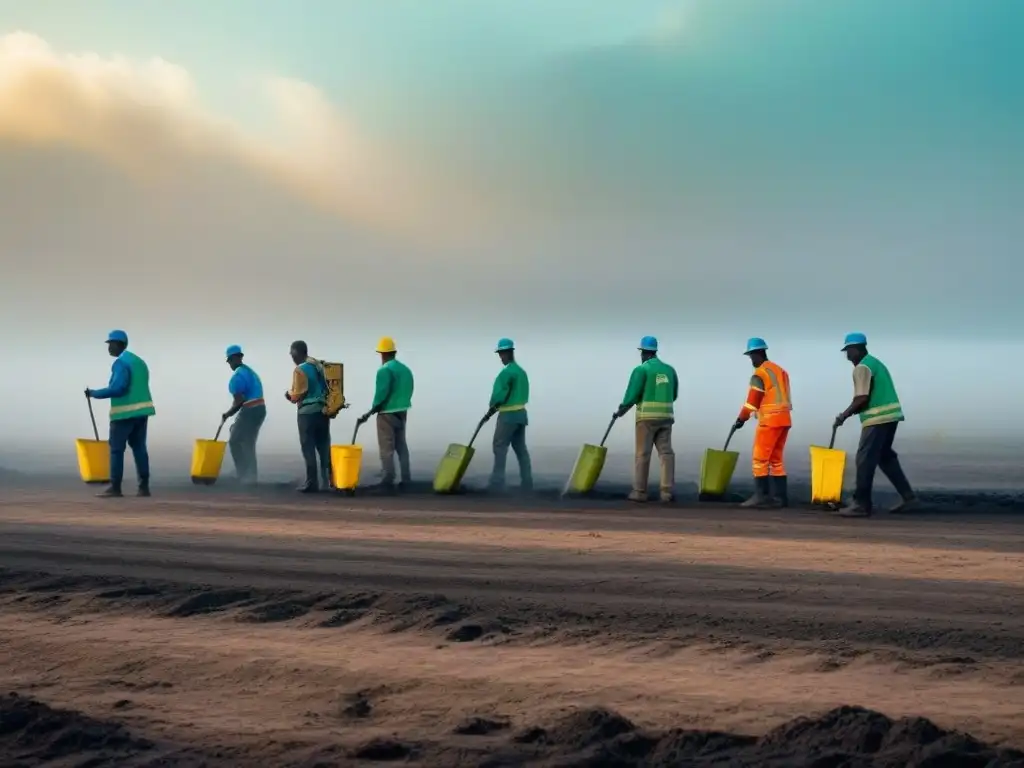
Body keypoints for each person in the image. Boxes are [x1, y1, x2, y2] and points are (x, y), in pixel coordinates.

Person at [833, 332, 918, 517]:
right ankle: (908, 497)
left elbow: (862, 398)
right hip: (891, 416)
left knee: (864, 459)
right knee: (885, 457)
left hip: (877, 418)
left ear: (857, 349)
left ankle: (861, 504)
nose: (847, 355)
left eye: (848, 351)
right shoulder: (875, 363)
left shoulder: (863, 367)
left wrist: (843, 416)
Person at [84, 329, 155, 498]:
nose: (109, 348)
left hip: (124, 415)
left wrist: (94, 393)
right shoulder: (139, 362)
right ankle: (144, 488)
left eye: (111, 344)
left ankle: (115, 488)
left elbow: (118, 388)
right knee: (139, 449)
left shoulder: (121, 363)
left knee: (116, 450)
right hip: (142, 413)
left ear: (120, 344)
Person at [615, 336, 678, 503]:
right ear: (655, 351)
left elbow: (632, 395)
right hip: (666, 417)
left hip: (646, 418)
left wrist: (622, 409)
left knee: (643, 454)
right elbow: (675, 394)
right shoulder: (669, 370)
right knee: (666, 454)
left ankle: (640, 492)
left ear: (643, 352)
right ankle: (667, 492)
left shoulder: (641, 370)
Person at [732, 337, 793, 508]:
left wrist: (741, 418)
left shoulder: (759, 374)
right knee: (776, 459)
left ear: (757, 353)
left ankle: (761, 496)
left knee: (760, 459)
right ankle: (781, 498)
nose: (751, 359)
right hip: (785, 419)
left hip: (769, 421)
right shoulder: (780, 371)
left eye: (751, 355)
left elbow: (752, 402)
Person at [357, 336, 414, 493]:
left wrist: (370, 412)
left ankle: (387, 480)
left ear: (383, 354)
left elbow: (381, 395)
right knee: (401, 446)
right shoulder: (405, 369)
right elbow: (410, 389)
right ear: (394, 352)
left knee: (386, 447)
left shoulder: (384, 370)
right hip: (402, 411)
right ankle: (406, 478)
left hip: (386, 413)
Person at [486, 338, 532, 492]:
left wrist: (492, 408)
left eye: (501, 354)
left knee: (499, 447)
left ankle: (497, 482)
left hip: (508, 416)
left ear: (507, 353)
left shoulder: (506, 373)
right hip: (521, 415)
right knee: (520, 449)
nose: (501, 357)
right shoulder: (521, 372)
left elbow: (500, 395)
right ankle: (527, 482)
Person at [285, 340, 331, 493]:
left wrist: (289, 395)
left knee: (308, 447)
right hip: (322, 411)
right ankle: (329, 480)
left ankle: (312, 483)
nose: (292, 357)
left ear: (298, 353)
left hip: (307, 414)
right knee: (324, 447)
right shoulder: (318, 366)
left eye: (292, 354)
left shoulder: (300, 370)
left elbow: (299, 394)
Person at [222, 345, 266, 486]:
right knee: (248, 442)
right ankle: (249, 473)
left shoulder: (237, 378)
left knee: (236, 441)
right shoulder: (250, 372)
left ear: (235, 358)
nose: (229, 363)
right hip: (259, 409)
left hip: (250, 410)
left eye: (229, 360)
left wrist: (227, 414)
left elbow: (239, 401)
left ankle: (245, 474)